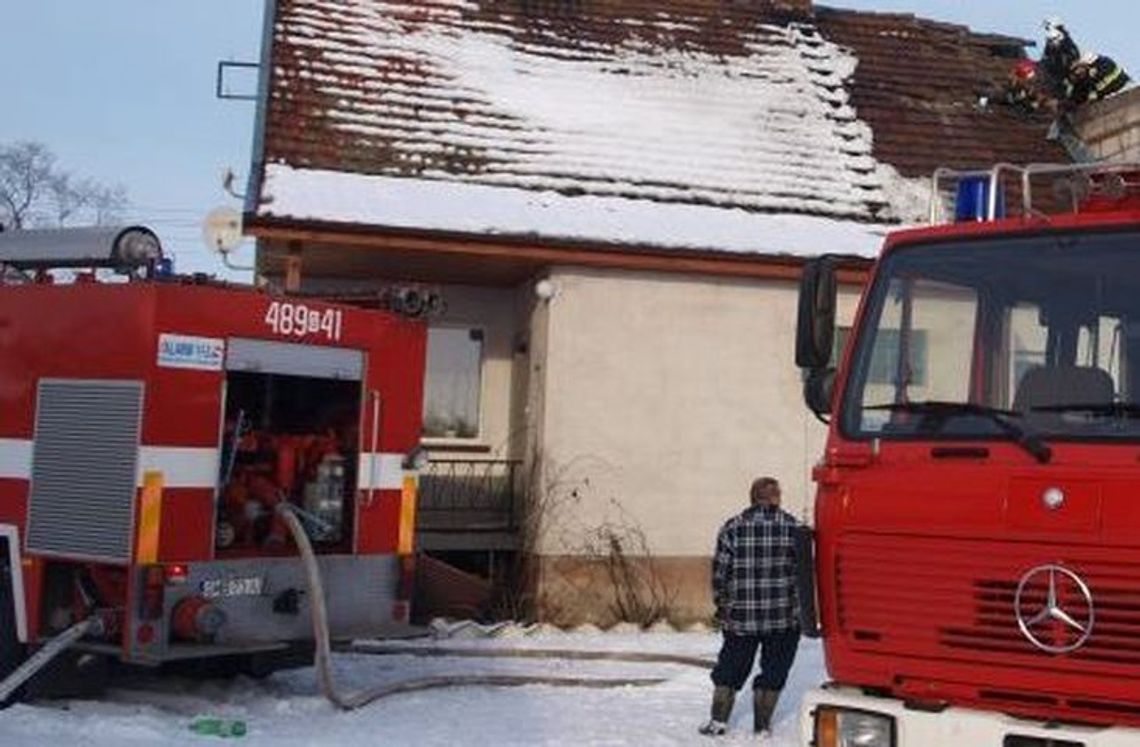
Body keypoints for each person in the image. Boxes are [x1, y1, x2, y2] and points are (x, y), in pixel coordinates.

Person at [699, 477, 801, 738]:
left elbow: (720, 574)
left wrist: (722, 606)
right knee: (774, 669)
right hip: (782, 618)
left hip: (741, 619)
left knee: (730, 667)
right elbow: (803, 575)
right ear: (776, 498)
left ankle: (718, 720)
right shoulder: (794, 529)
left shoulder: (732, 528)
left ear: (752, 498)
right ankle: (762, 726)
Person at [1066, 51, 1131, 108]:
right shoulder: (1083, 82)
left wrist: (1094, 94)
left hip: (1125, 92)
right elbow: (1077, 97)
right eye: (1074, 71)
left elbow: (1105, 84)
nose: (1077, 72)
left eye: (1077, 68)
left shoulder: (1105, 65)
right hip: (1110, 103)